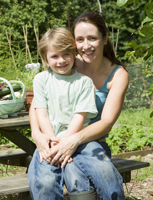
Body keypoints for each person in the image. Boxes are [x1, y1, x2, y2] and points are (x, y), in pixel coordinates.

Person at [28, 12, 129, 200]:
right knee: (49, 181)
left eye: (92, 38)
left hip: (91, 142)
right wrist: (36, 132)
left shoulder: (117, 75)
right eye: (80, 39)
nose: (86, 45)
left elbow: (106, 122)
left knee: (85, 179)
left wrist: (70, 141)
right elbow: (37, 106)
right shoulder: (67, 64)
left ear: (105, 38)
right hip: (54, 140)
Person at [33, 27, 98, 160]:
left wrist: (65, 143)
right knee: (46, 179)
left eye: (66, 54)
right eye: (55, 56)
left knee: (83, 171)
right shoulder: (41, 80)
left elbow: (79, 116)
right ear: (45, 58)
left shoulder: (84, 82)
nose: (61, 60)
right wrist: (53, 142)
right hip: (48, 140)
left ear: (74, 53)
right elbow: (42, 115)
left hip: (78, 140)